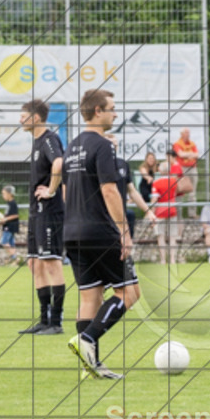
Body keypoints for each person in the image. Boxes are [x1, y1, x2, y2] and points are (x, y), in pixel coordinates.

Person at [64, 89, 142, 380]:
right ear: (97, 110)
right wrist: (124, 230)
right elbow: (109, 190)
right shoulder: (103, 146)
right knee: (129, 293)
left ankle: (89, 365)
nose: (116, 114)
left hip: (72, 232)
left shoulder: (72, 147)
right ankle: (88, 339)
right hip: (99, 230)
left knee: (89, 297)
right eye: (112, 108)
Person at [17, 100, 67, 336]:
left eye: (24, 115)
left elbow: (59, 162)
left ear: (36, 117)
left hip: (49, 211)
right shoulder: (37, 141)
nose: (20, 119)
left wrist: (52, 189)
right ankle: (44, 320)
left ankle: (56, 322)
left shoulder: (49, 138)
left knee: (51, 261)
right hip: (36, 212)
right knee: (34, 263)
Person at [150, 172, 193, 265]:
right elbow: (178, 191)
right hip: (172, 210)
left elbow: (154, 199)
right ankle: (172, 259)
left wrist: (151, 213)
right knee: (172, 236)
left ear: (160, 171)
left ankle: (163, 260)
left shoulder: (156, 182)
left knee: (160, 236)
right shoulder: (173, 181)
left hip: (160, 212)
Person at [172, 128, 199, 199]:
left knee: (192, 193)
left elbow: (197, 155)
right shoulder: (177, 144)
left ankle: (192, 209)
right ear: (181, 134)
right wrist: (191, 154)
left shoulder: (192, 143)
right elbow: (181, 155)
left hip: (193, 168)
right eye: (186, 132)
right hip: (182, 169)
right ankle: (179, 209)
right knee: (180, 190)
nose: (188, 134)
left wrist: (186, 154)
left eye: (189, 132)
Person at [0, 185, 20, 264]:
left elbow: (16, 215)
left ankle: (14, 257)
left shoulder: (12, 203)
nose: (3, 196)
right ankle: (14, 260)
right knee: (11, 243)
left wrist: (6, 219)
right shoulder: (8, 204)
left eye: (4, 193)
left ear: (10, 194)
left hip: (10, 226)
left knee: (4, 242)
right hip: (8, 225)